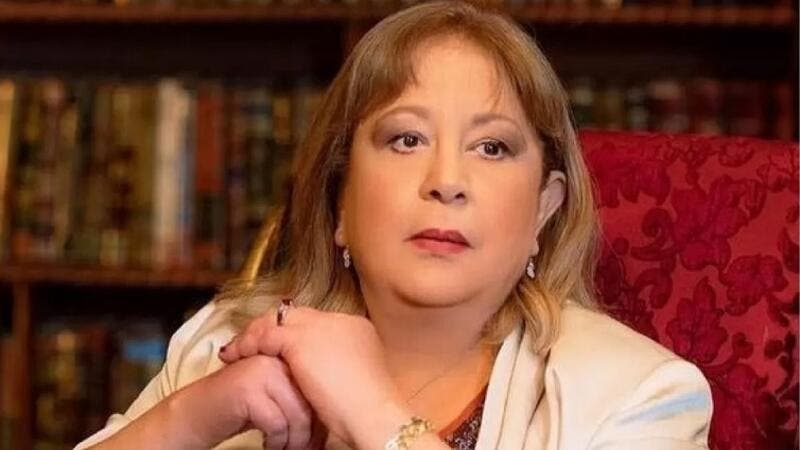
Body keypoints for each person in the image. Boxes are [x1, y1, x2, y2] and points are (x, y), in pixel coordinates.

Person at [75, 2, 713, 449]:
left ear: (545, 207)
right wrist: (193, 418)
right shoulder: (219, 344)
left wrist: (373, 413)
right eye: (406, 139)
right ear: (340, 200)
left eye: (492, 147)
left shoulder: (639, 395)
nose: (447, 180)